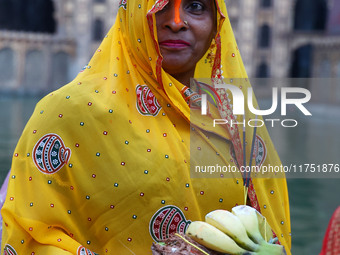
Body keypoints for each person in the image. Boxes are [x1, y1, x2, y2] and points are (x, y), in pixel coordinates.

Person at [1, 0, 291, 254]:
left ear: (218, 24)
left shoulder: (234, 119)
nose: (177, 22)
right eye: (160, 4)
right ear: (132, 12)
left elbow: (265, 231)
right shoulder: (69, 112)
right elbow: (29, 234)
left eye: (196, 6)